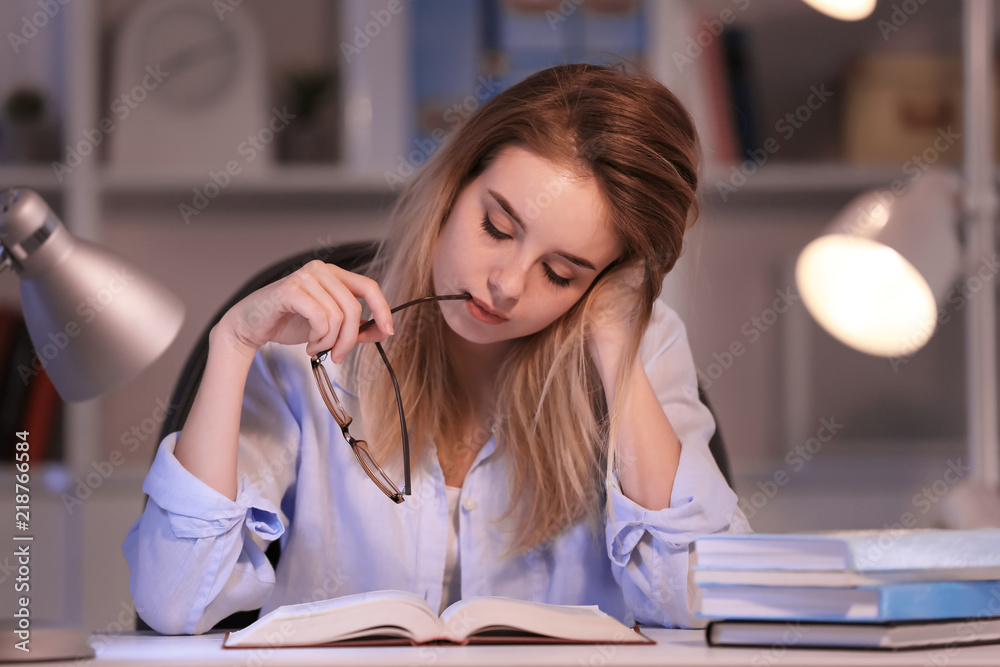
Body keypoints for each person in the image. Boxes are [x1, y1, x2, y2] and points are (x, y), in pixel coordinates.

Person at [123, 62, 751, 635]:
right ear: (455, 184)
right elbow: (174, 601)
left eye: (561, 273)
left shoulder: (640, 345)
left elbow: (701, 601)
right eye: (496, 228)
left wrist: (617, 337)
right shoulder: (307, 341)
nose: (505, 285)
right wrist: (232, 343)